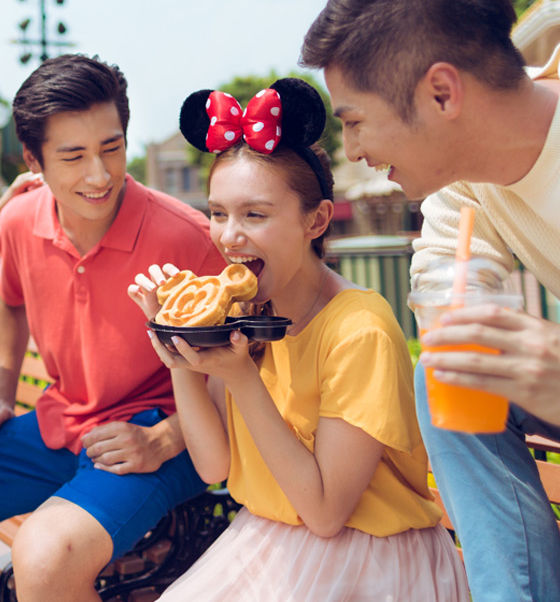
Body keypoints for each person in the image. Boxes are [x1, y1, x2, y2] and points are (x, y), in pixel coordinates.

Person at [0, 54, 225, 602]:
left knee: (40, 560)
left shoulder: (190, 237)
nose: (100, 174)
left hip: (158, 438)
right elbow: (10, 303)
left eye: (112, 147)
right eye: (74, 155)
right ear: (34, 161)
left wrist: (165, 438)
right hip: (60, 422)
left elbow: (254, 364)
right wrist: (2, 393)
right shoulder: (17, 221)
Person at [128, 78, 467, 601]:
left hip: (370, 556)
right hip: (269, 538)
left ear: (317, 220)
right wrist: (179, 353)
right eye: (218, 213)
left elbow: (326, 511)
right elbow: (214, 466)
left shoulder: (359, 328)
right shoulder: (245, 313)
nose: (229, 235)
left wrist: (242, 378)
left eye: (254, 215)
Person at [300, 0, 560, 601]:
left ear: (442, 92)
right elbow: (442, 303)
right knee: (442, 366)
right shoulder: (466, 184)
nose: (352, 151)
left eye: (356, 122)